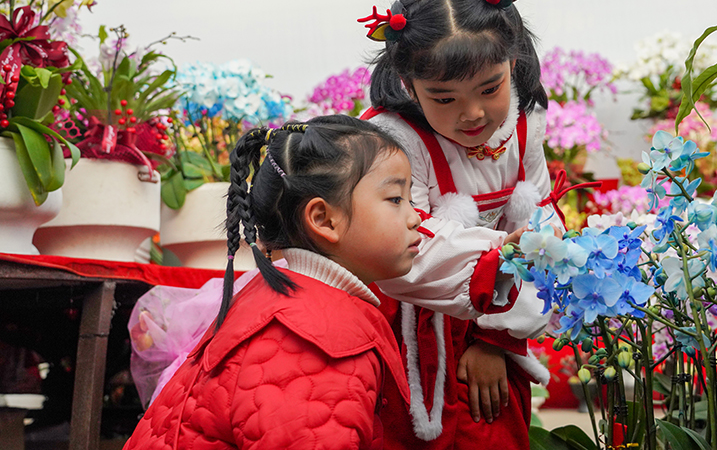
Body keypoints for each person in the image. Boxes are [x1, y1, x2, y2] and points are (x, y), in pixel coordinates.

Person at [124, 116, 520, 450]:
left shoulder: (291, 302)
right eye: (396, 199)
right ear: (325, 220)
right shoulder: (320, 340)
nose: (416, 217)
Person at [360, 0, 564, 450]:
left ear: (511, 64)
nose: (472, 114)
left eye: (489, 88)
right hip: (412, 325)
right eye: (444, 98)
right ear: (410, 86)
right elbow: (402, 254)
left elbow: (539, 226)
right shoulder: (393, 140)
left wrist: (498, 338)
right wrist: (500, 268)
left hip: (495, 312)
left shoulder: (524, 123)